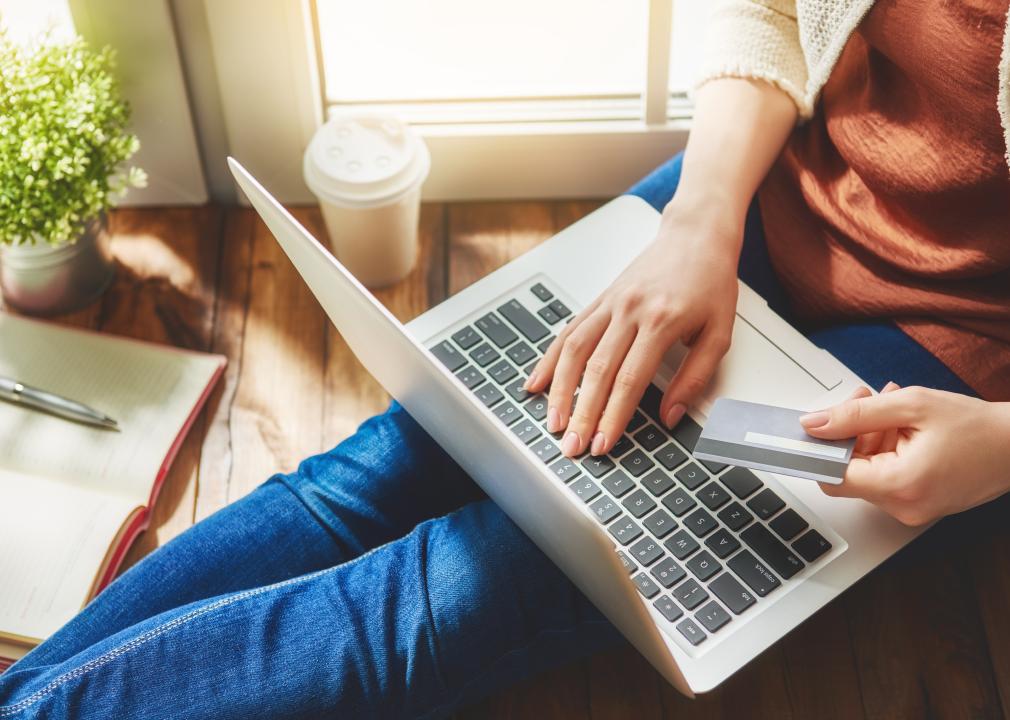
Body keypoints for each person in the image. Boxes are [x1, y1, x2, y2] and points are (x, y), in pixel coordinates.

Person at [2, 0, 1009, 717]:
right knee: (394, 459)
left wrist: (1000, 447)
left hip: (958, 352)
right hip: (763, 184)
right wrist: (700, 216)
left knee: (482, 578)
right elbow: (777, 8)